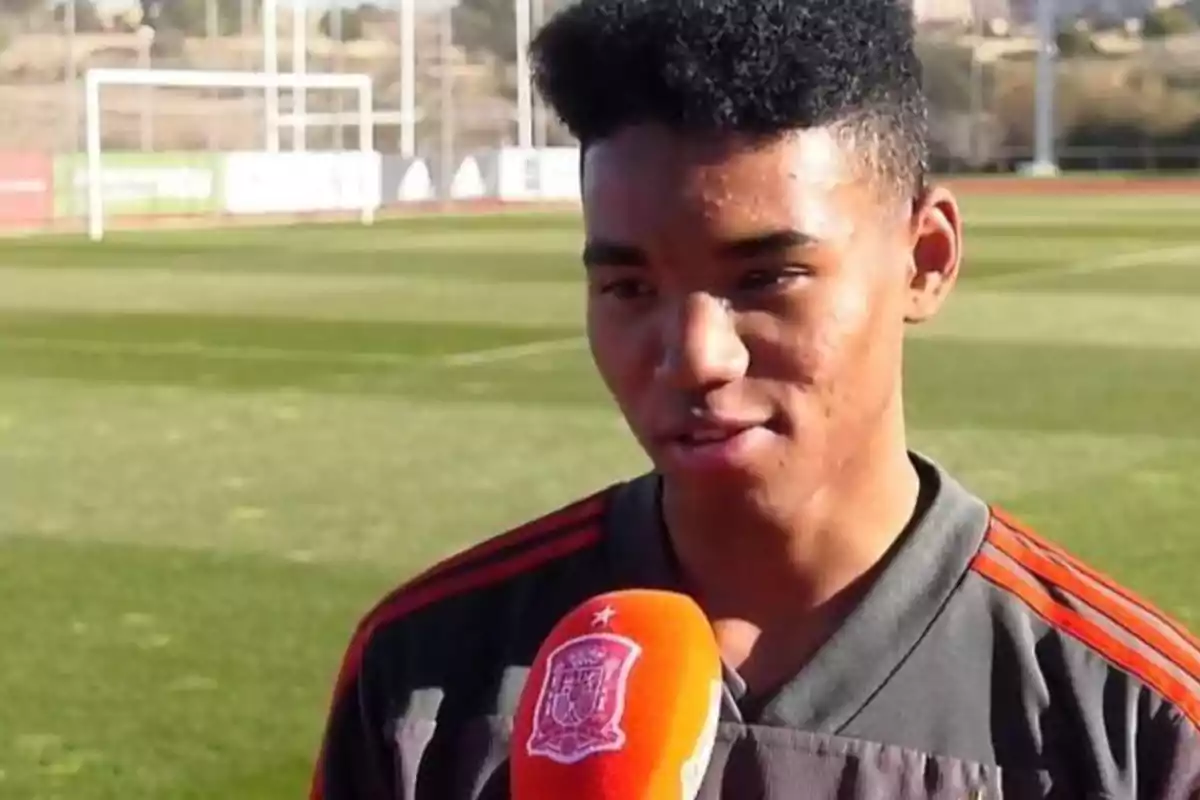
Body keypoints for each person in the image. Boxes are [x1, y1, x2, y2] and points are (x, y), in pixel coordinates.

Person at [309, 0, 1200, 796]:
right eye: (628, 289)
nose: (696, 356)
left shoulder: (1137, 730)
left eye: (769, 278)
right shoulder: (421, 675)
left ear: (925, 259)